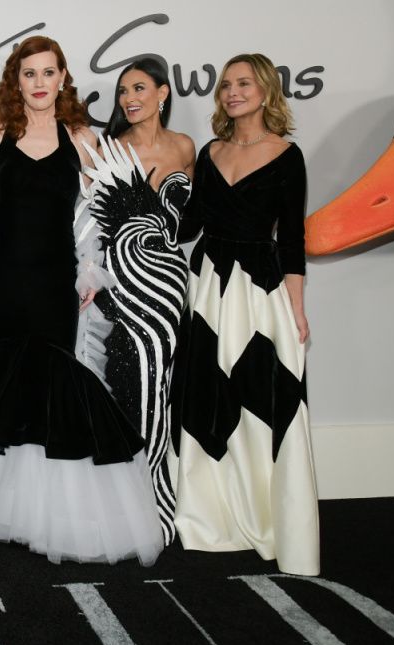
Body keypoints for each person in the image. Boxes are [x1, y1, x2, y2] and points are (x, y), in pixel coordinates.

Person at [0, 36, 163, 566]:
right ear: (16, 81)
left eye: (49, 72)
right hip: (2, 285)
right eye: (30, 74)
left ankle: (53, 517)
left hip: (55, 287)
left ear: (63, 76)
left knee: (53, 392)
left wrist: (93, 272)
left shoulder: (82, 136)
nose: (40, 82)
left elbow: (96, 217)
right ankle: (5, 514)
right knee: (4, 390)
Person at [170, 53, 318, 576]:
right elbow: (186, 226)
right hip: (208, 290)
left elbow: (294, 240)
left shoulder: (288, 155)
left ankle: (269, 520)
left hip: (261, 294)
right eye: (226, 85)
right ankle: (209, 519)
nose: (232, 92)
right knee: (208, 402)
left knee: (264, 409)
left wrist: (297, 313)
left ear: (266, 91)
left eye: (244, 84)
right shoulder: (209, 153)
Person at [94, 58, 196, 545]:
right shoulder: (108, 149)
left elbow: (189, 222)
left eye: (138, 88)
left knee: (163, 388)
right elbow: (89, 227)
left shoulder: (185, 148)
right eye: (122, 92)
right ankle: (121, 504)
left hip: (171, 286)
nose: (129, 98)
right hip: (122, 286)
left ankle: (159, 502)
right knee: (128, 388)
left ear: (162, 93)